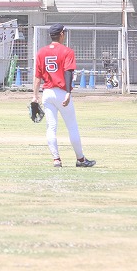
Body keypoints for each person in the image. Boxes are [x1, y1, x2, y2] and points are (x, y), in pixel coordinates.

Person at [32, 24, 96, 168]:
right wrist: (68, 92)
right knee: (72, 126)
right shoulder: (67, 51)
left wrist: (35, 96)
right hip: (61, 91)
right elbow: (68, 72)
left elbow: (37, 77)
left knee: (51, 127)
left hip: (47, 93)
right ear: (61, 34)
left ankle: (56, 160)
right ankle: (81, 160)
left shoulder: (41, 52)